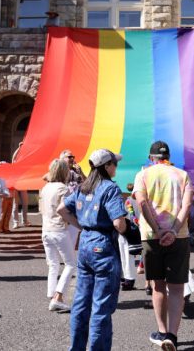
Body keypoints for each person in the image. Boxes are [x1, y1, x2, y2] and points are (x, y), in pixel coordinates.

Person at [57, 148, 130, 351]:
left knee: (81, 302)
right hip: (104, 245)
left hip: (86, 244)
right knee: (101, 306)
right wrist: (127, 229)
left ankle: (77, 347)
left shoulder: (83, 187)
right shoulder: (110, 188)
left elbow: (61, 209)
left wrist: (81, 225)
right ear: (106, 166)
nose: (116, 166)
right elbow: (118, 223)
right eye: (114, 163)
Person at [133, 141, 194, 351]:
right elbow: (187, 205)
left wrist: (158, 230)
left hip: (151, 236)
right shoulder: (182, 174)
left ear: (151, 158)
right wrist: (174, 231)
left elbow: (141, 203)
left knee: (158, 286)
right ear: (168, 155)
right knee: (177, 288)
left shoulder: (143, 175)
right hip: (179, 236)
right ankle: (172, 335)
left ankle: (161, 330)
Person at [40, 159, 77, 312]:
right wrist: (76, 223)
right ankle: (58, 296)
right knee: (71, 264)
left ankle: (51, 293)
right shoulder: (63, 188)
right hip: (59, 229)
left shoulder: (45, 187)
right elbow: (65, 210)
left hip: (46, 229)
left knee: (53, 263)